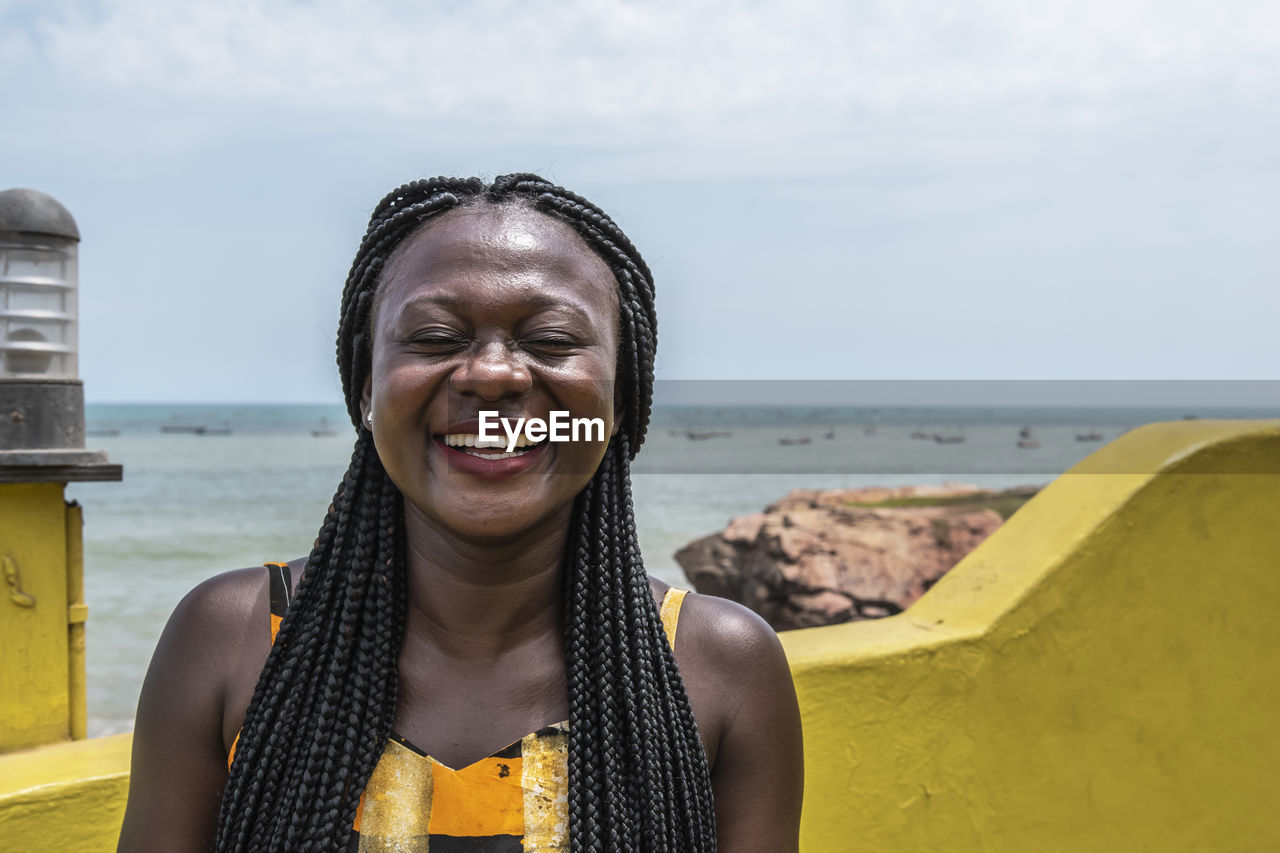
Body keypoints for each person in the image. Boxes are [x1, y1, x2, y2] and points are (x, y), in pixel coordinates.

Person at [117, 174, 804, 852]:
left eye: (554, 339)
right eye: (436, 338)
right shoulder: (234, 640)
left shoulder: (718, 666)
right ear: (365, 388)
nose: (492, 373)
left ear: (620, 395)